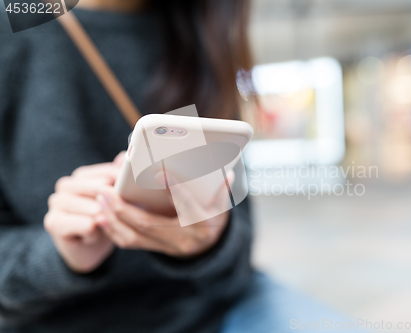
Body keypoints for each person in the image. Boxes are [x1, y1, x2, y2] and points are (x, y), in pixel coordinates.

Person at [0, 0, 350, 332]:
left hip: (212, 310)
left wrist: (210, 241)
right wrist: (61, 256)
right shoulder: (14, 26)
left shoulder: (201, 29)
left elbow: (240, 239)